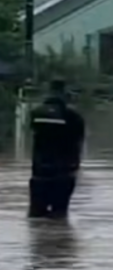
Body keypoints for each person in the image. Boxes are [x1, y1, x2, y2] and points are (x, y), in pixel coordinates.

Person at [28, 79, 85, 219]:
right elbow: (79, 140)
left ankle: (36, 241)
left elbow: (34, 135)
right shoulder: (73, 116)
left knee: (35, 215)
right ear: (65, 93)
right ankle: (58, 240)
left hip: (39, 172)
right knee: (59, 216)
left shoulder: (36, 113)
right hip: (63, 173)